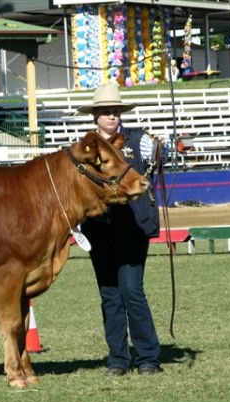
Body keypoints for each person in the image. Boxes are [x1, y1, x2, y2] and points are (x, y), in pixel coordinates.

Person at [77, 83, 162, 377]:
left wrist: (158, 151)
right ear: (95, 116)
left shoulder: (138, 140)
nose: (111, 116)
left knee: (131, 291)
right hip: (98, 228)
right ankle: (117, 358)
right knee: (109, 294)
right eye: (105, 112)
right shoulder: (85, 147)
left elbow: (153, 164)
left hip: (132, 226)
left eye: (115, 111)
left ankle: (148, 357)